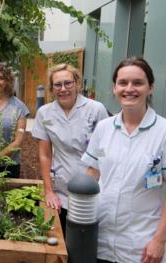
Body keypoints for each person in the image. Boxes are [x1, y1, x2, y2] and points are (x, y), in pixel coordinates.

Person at [82, 57, 166, 263]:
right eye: (123, 83)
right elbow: (92, 174)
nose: (129, 89)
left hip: (140, 246)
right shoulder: (103, 128)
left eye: (137, 83)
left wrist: (159, 240)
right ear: (114, 88)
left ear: (150, 87)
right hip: (100, 239)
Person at [31, 63, 109, 235]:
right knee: (63, 239)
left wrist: (93, 184)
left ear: (77, 83)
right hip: (61, 187)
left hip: (93, 189)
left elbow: (104, 152)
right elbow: (44, 155)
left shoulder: (96, 110)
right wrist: (49, 191)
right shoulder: (45, 113)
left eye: (68, 83)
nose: (63, 89)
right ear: (51, 88)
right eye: (57, 84)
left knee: (88, 243)